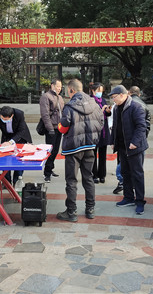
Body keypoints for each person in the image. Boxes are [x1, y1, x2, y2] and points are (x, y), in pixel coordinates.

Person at [56, 79, 104, 222]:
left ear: (72, 90)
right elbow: (101, 123)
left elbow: (63, 127)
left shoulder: (69, 106)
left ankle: (71, 212)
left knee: (71, 180)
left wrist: (59, 127)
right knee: (88, 178)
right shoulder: (94, 104)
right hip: (90, 146)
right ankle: (90, 209)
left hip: (73, 148)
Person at [109, 85, 148, 215]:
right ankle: (128, 197)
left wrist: (135, 142)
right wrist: (112, 141)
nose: (113, 100)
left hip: (134, 147)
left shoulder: (136, 107)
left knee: (137, 174)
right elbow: (115, 126)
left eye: (114, 97)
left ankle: (140, 201)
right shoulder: (116, 108)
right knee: (125, 173)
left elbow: (141, 127)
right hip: (122, 146)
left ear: (122, 95)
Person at [0, 106, 32, 185]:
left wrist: (10, 142)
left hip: (20, 137)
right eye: (3, 119)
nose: (4, 121)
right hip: (6, 137)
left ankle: (16, 182)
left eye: (7, 119)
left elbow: (21, 131)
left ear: (12, 115)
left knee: (18, 160)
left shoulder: (19, 114)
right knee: (5, 160)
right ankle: (6, 183)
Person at [39, 79, 64, 182]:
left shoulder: (60, 98)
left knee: (55, 150)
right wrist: (50, 128)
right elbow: (45, 114)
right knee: (50, 151)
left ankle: (51, 168)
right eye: (58, 86)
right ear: (52, 86)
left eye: (60, 87)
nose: (59, 89)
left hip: (59, 127)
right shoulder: (46, 97)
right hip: (51, 128)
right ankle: (47, 173)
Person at [90, 82, 110, 184]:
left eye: (101, 91)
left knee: (103, 153)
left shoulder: (103, 100)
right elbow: (91, 115)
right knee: (93, 154)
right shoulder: (90, 101)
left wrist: (108, 111)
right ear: (93, 91)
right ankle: (94, 174)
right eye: (98, 91)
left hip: (103, 131)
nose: (100, 93)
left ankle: (102, 175)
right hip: (94, 130)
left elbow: (106, 114)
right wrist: (101, 111)